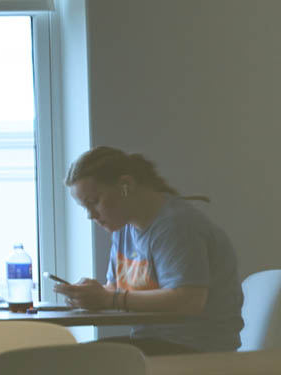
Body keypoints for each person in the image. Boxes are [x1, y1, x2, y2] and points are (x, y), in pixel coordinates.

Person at [55, 145, 244, 355]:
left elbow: (190, 300)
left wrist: (109, 299)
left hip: (198, 349)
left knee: (70, 365)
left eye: (94, 202)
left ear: (125, 185)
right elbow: (115, 289)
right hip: (154, 342)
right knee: (67, 362)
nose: (90, 215)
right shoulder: (123, 228)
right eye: (85, 207)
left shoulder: (176, 225)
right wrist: (89, 295)